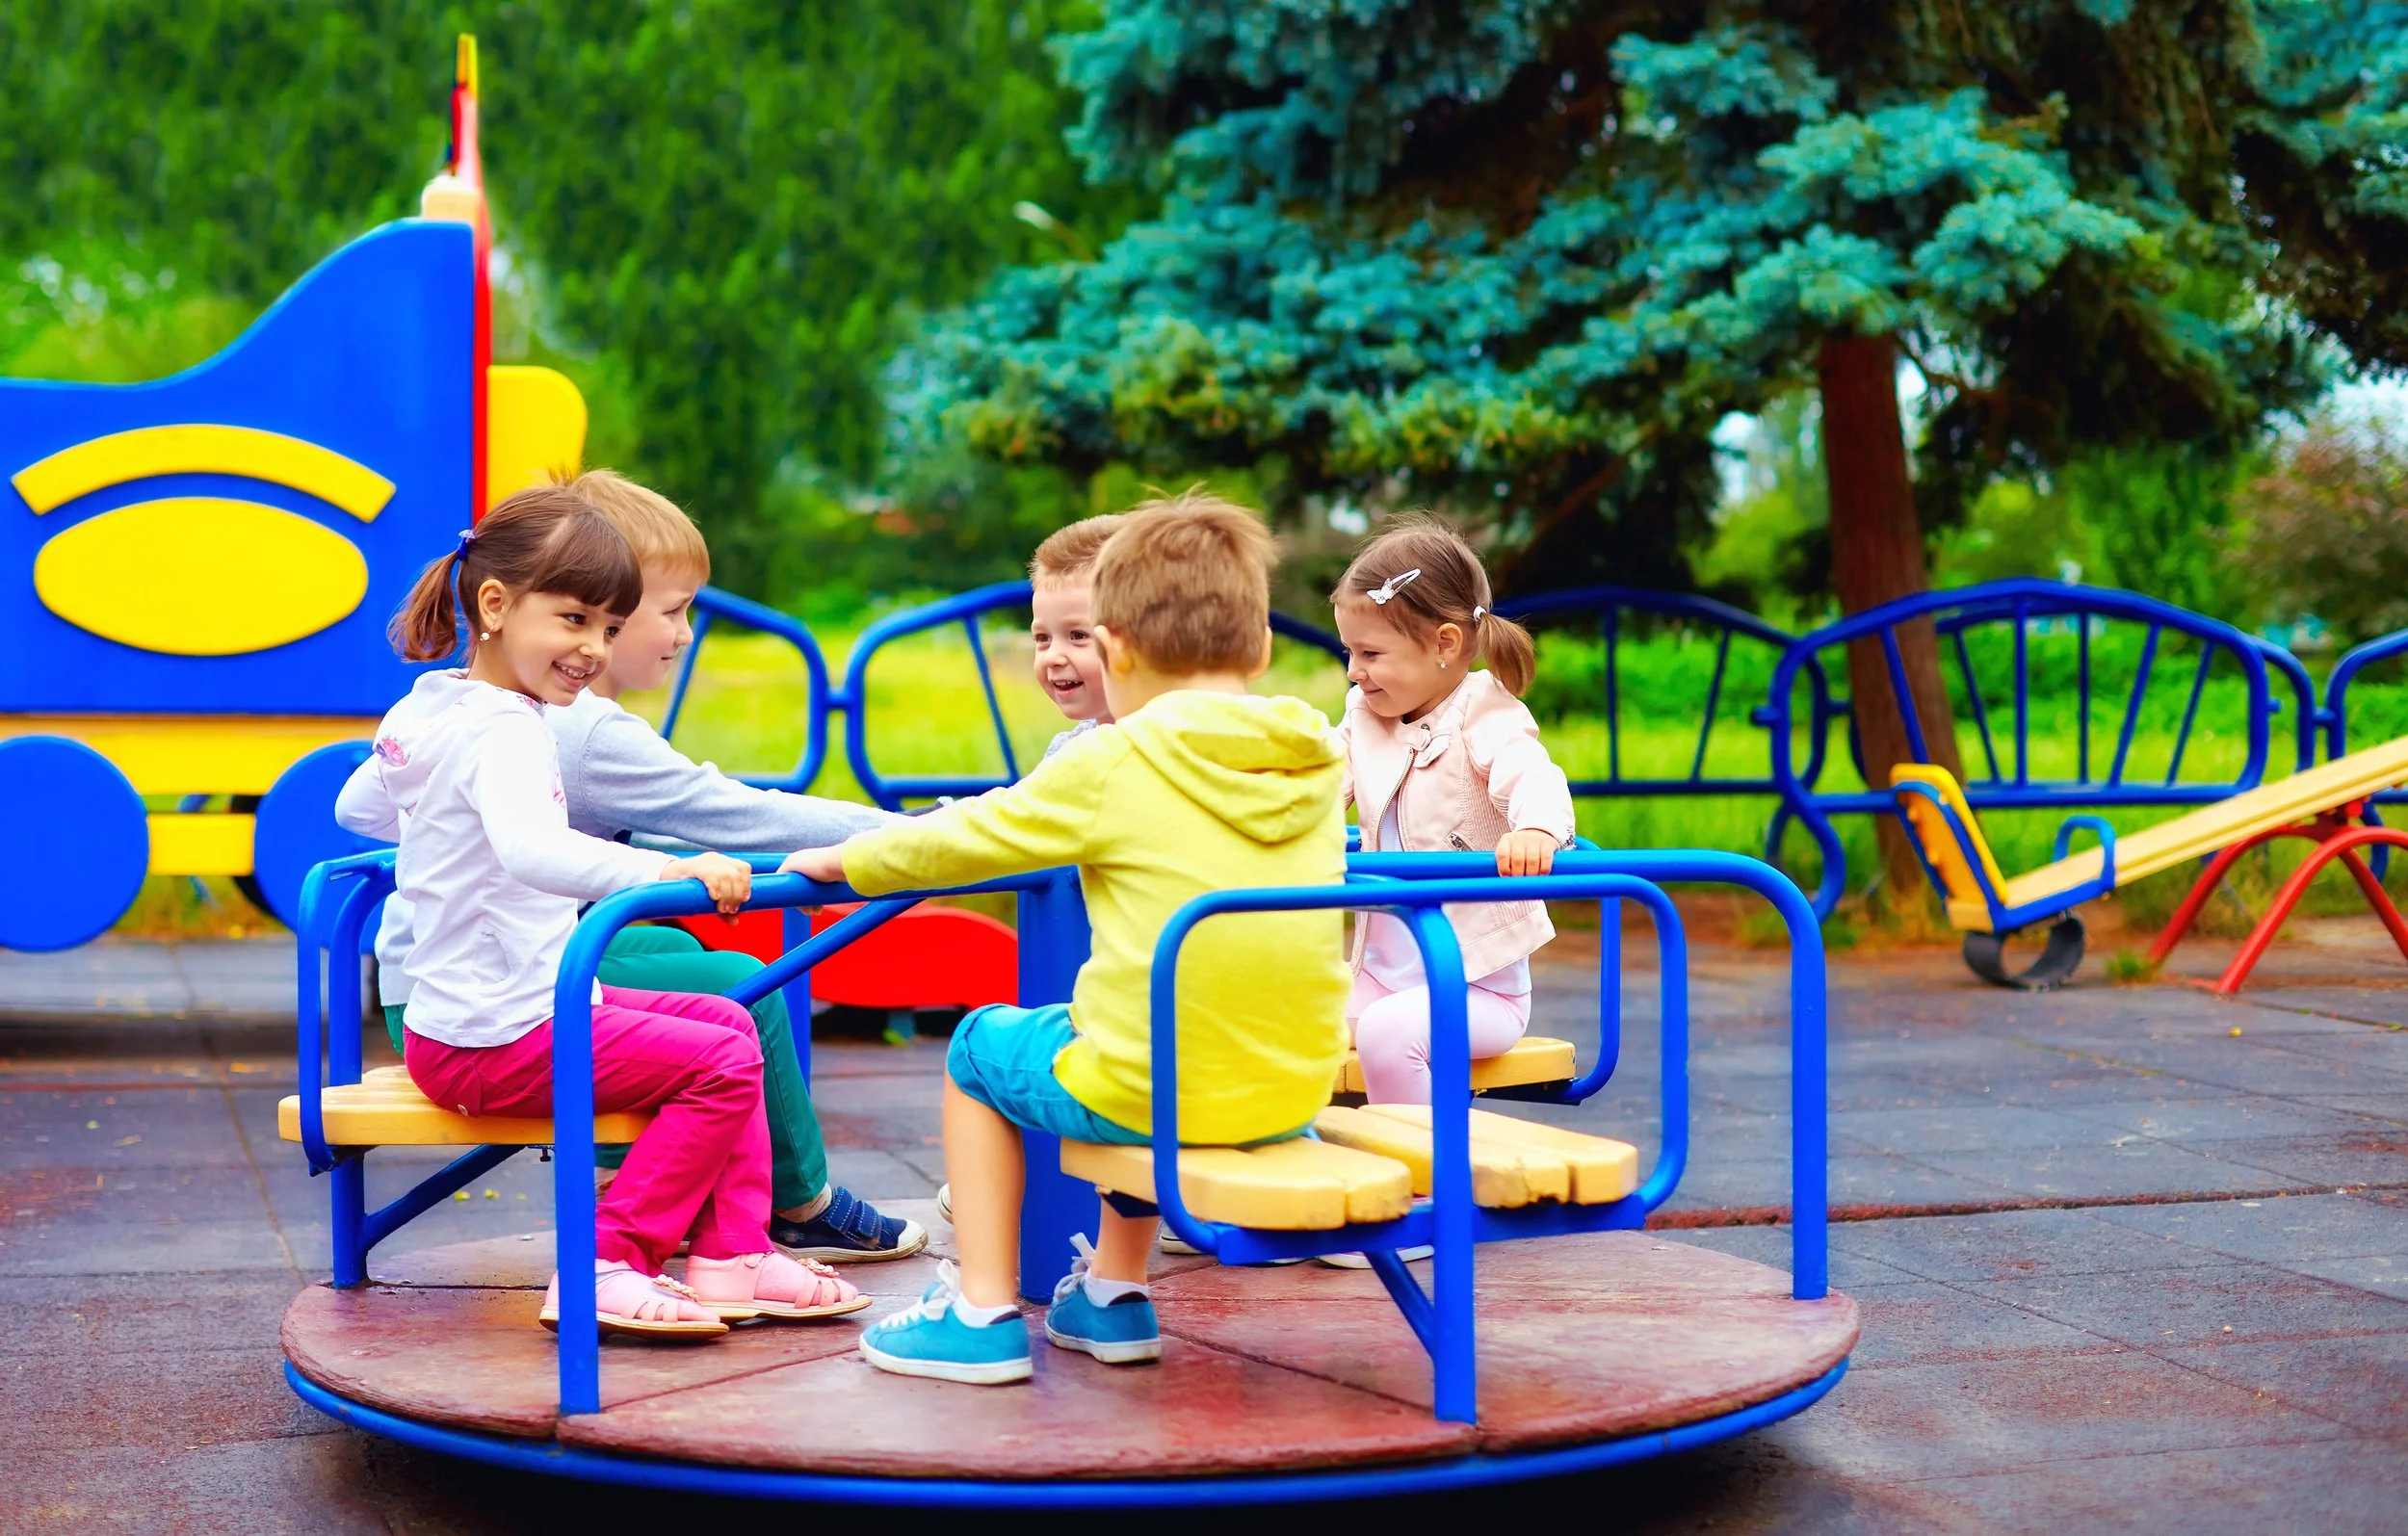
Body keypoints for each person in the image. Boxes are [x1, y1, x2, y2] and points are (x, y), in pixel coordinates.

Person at [785, 491, 1350, 1385]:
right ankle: (1114, 1293)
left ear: (1117, 646)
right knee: (1143, 1034)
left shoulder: (1111, 760)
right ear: (1264, 645)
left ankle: (979, 1311)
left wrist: (847, 858)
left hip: (1155, 1086)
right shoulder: (1317, 755)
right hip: (1290, 1087)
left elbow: (965, 837)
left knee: (982, 1048)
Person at [336, 486, 863, 1338]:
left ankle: (732, 1253)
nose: (591, 649)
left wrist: (437, 819)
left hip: (491, 1010)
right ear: (497, 605)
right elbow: (534, 850)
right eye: (574, 620)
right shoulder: (508, 730)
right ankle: (609, 1258)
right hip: (491, 1033)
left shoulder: (432, 706)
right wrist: (669, 867)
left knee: (728, 1023)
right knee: (719, 1066)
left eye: (608, 629)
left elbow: (360, 806)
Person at [1331, 514, 1575, 1106]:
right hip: (1381, 975)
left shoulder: (1484, 714)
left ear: (1444, 644)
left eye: (1369, 652)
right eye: (1348, 651)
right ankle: (1330, 1167)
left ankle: (1431, 1177)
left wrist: (1536, 829)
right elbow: (1318, 778)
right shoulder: (1364, 715)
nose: (1353, 671)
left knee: (1392, 1035)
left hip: (1476, 987)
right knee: (1285, 1018)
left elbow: (1533, 775)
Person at [1028, 513, 1125, 760]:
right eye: (1042, 638)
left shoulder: (1182, 746)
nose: (1052, 658)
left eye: (1078, 635)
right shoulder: (1068, 750)